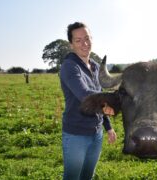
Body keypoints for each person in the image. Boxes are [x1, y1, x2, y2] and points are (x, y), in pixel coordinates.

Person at [60, 22, 117, 180]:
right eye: (78, 40)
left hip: (96, 134)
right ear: (71, 44)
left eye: (87, 38)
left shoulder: (96, 67)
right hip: (76, 135)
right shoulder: (69, 67)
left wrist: (108, 127)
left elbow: (98, 96)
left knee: (87, 176)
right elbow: (85, 94)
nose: (84, 44)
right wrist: (115, 100)